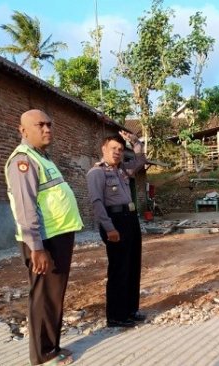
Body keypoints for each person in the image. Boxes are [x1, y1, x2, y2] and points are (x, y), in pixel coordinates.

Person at [5, 109, 83, 366]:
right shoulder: (22, 161)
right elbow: (25, 208)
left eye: (49, 124)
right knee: (43, 296)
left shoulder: (42, 158)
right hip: (43, 242)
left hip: (56, 236)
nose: (47, 129)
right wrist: (37, 248)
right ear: (23, 130)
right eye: (40, 125)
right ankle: (43, 355)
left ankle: (51, 347)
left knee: (53, 296)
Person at [86, 131, 147, 328]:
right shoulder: (96, 173)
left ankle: (130, 309)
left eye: (121, 150)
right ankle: (116, 316)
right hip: (115, 222)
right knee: (119, 269)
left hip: (130, 220)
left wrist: (136, 142)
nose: (117, 153)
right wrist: (109, 228)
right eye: (113, 148)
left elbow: (140, 161)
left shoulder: (122, 171)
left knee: (132, 266)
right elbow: (97, 203)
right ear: (104, 149)